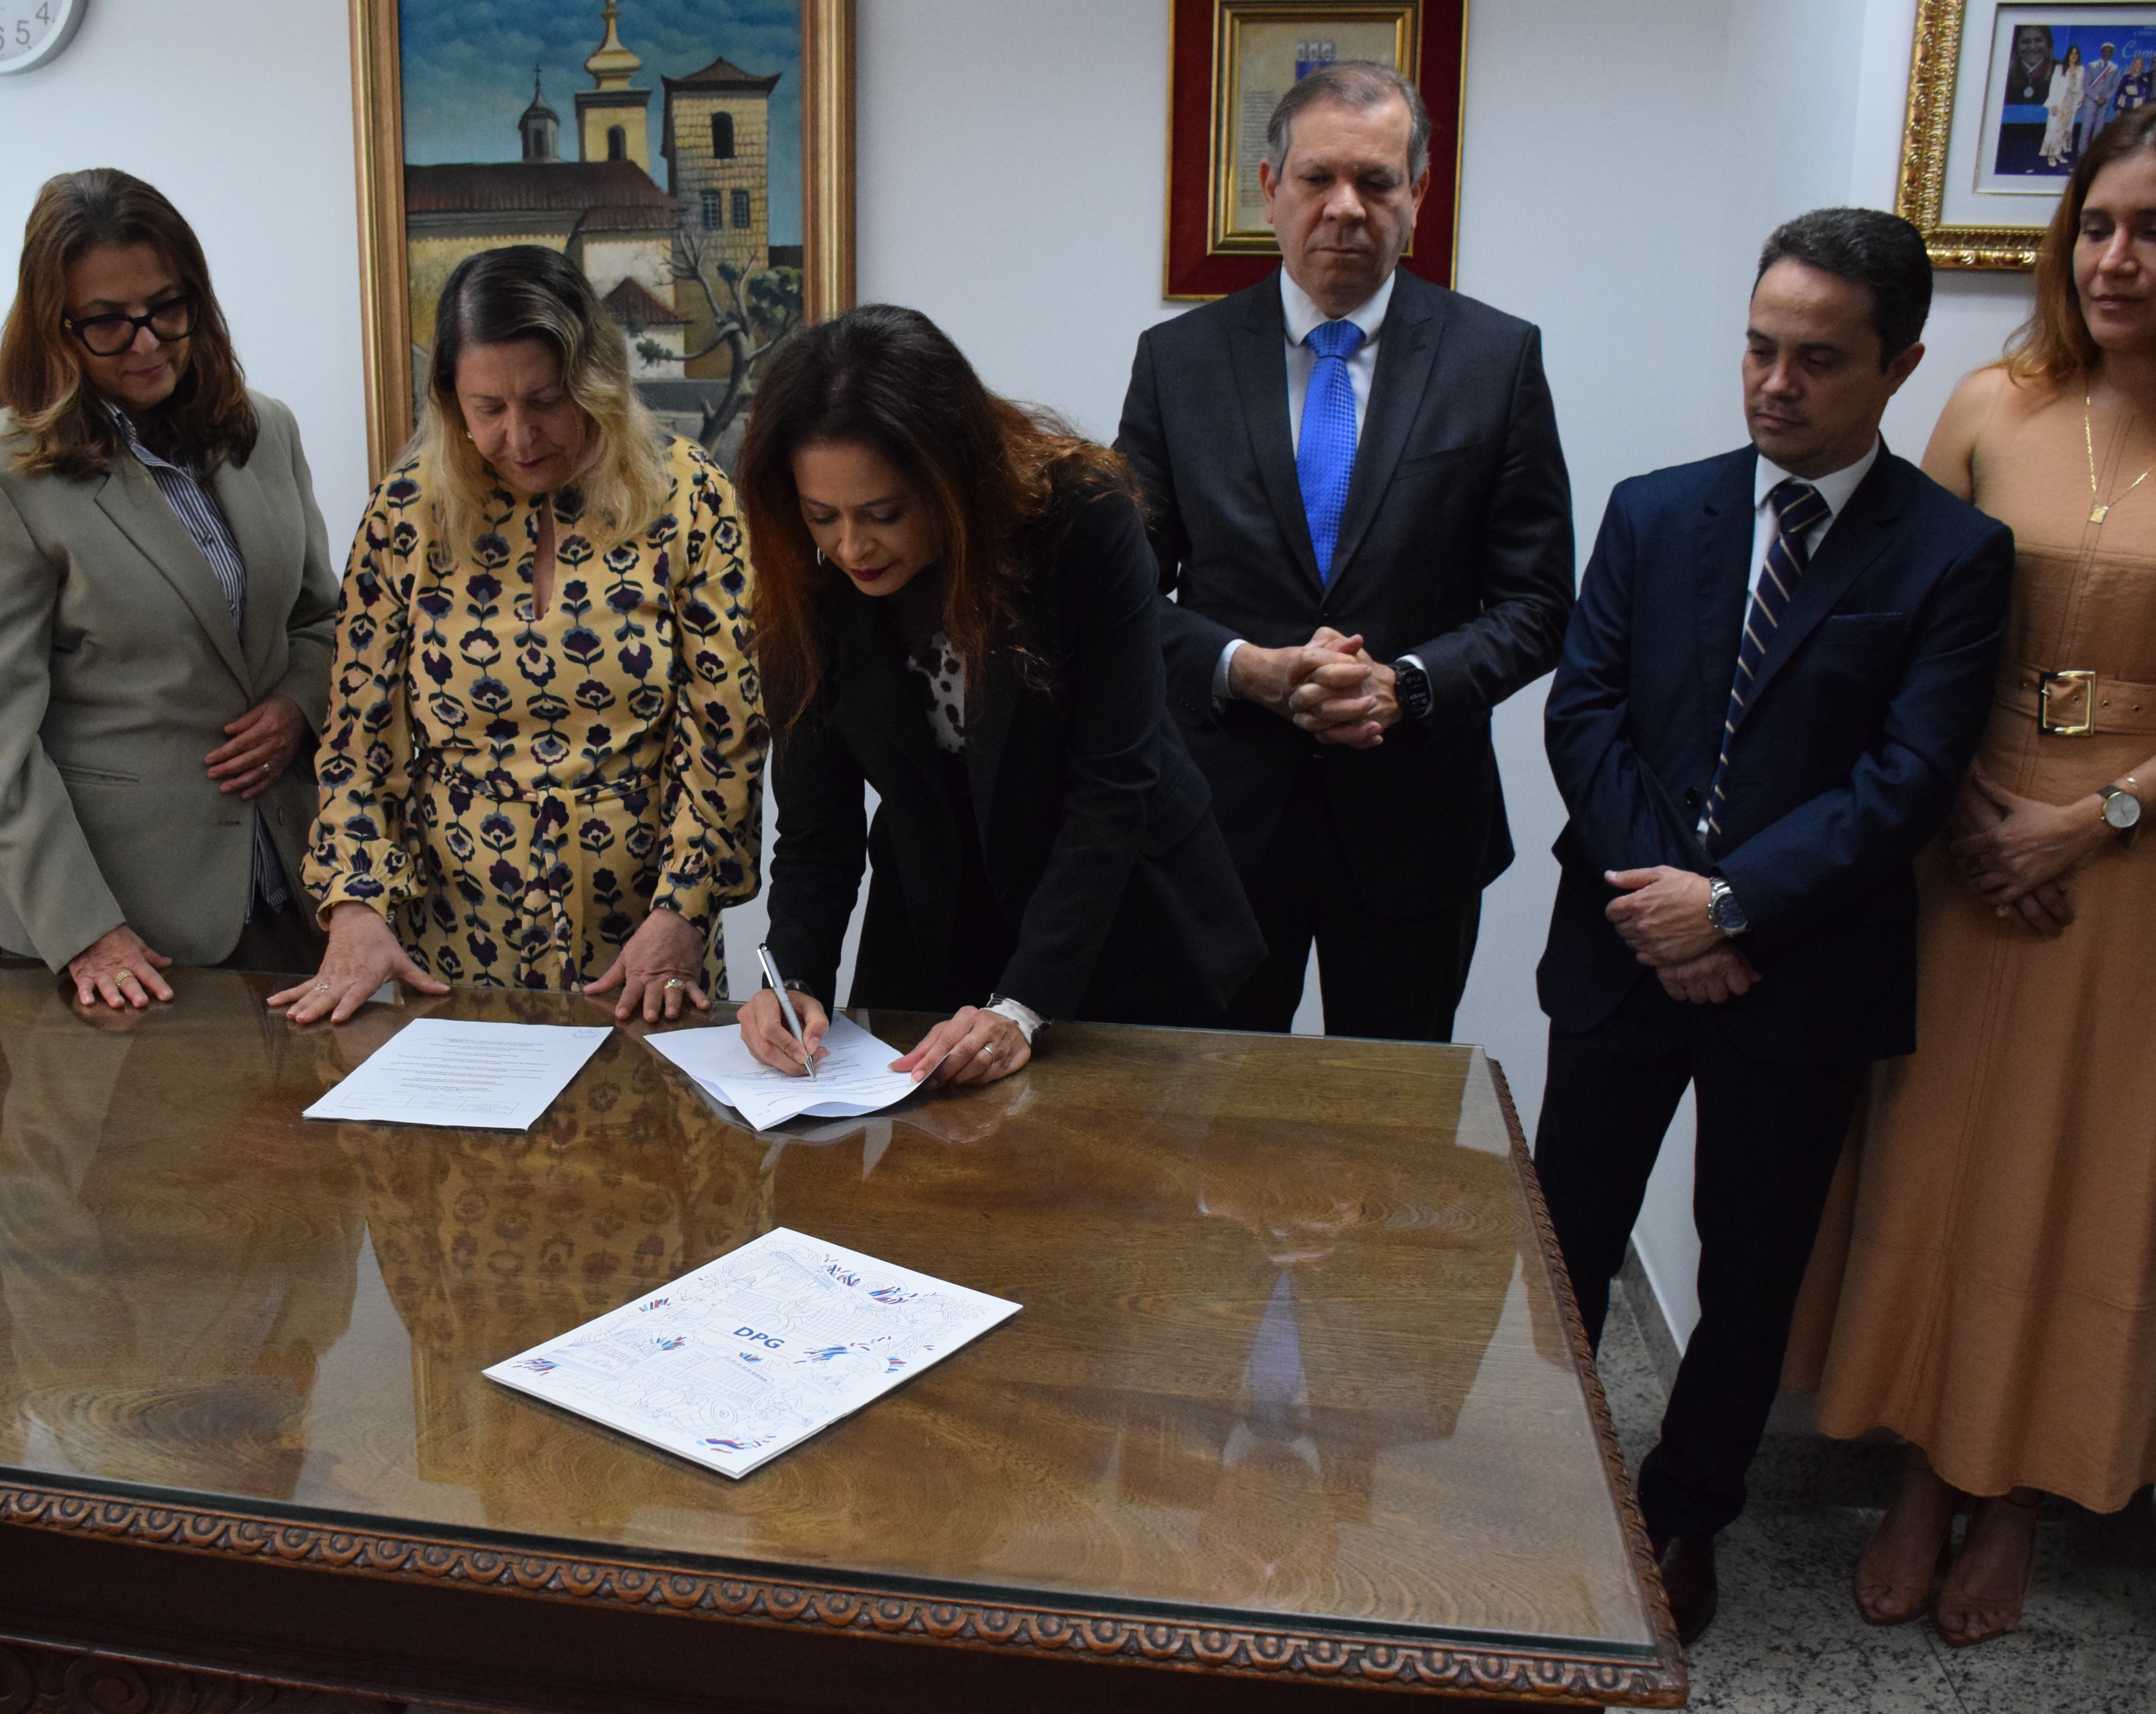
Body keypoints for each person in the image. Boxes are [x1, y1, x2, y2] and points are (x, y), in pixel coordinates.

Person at [1532, 208, 2014, 1646]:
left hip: (1796, 972)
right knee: (1565, 1236)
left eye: (1817, 358)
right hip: (1624, 950)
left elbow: (1909, 778)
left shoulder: (1953, 555)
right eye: (1758, 345)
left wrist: (1733, 905)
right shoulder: (1651, 507)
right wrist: (1666, 904)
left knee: (1747, 1268)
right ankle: (1544, 1492)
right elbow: (1583, 712)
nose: (1774, 383)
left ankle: (1686, 1517)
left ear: (1900, 364)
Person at [1805, 98, 2156, 1646]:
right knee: (1946, 1154)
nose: (2114, 259)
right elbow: (1891, 615)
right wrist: (1973, 806)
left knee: (2099, 1170)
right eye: (2095, 225)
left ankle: (2025, 1497)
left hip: (2152, 855)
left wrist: (2092, 818)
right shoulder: (1994, 399)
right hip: (1962, 830)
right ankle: (1923, 1466)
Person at [1116, 60, 1572, 1042]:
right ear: (1270, 186)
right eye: (1319, 179)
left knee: (1392, 1132)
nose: (1346, 209)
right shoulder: (1179, 364)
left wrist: (1405, 684)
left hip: (1416, 823)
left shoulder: (1497, 361)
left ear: (1419, 194)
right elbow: (1121, 598)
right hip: (1222, 826)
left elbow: (1538, 605)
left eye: (1376, 182)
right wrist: (1249, 670)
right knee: (1214, 1134)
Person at [731, 305, 1262, 1089]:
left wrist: (1023, 1005)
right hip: (934, 923)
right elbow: (817, 827)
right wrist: (795, 979)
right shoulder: (804, 574)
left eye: (883, 515)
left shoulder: (1080, 520)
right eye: (823, 517)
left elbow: (1111, 789)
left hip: (1119, 921)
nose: (851, 546)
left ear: (953, 478)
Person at [277, 246, 764, 1024]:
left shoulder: (687, 497)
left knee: (653, 1146)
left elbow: (724, 733)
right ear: (449, 402)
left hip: (644, 953)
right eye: (488, 409)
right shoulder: (409, 513)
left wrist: (684, 910)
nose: (520, 436)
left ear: (595, 381)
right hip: (452, 948)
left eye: (546, 400)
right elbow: (358, 738)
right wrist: (355, 906)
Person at [0, 169, 338, 1009]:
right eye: (107, 324)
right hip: (119, 934)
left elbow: (321, 620)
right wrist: (84, 928)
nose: (148, 342)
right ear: (53, 328)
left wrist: (299, 702)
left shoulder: (265, 430)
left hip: (289, 889)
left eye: (167, 308)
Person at [2042, 46, 2083, 169]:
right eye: (2072, 53)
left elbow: (2079, 89)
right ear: (2068, 55)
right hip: (2059, 104)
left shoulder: (2081, 69)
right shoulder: (2060, 68)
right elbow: (2053, 87)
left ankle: (2058, 153)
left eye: (2076, 53)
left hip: (2070, 104)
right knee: (2055, 129)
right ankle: (2051, 155)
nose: (2074, 55)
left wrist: (2078, 103)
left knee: (2065, 130)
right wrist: (2053, 104)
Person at [2080, 43, 2123, 157]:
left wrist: (2106, 98)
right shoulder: (2092, 66)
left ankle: (2095, 152)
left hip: (2104, 102)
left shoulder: (2115, 68)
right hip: (2091, 100)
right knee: (2086, 126)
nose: (2107, 54)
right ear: (2101, 52)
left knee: (2099, 128)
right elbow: (2086, 85)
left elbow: (2115, 86)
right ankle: (2082, 152)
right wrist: (2096, 98)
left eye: (2110, 52)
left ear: (2112, 54)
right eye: (2105, 51)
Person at [2005, 24, 2058, 105]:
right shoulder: (2004, 74)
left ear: (2048, 43)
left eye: (2038, 40)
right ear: (2016, 46)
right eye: (2026, 42)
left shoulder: (2063, 71)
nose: (2032, 47)